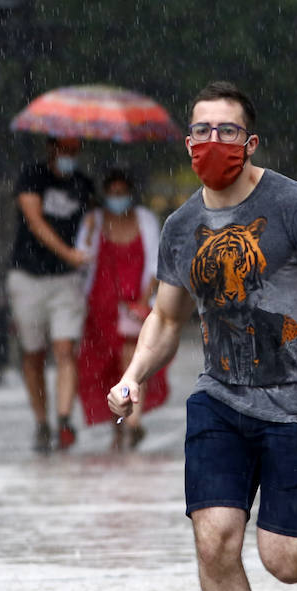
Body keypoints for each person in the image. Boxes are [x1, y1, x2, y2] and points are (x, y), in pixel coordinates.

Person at [108, 81, 297, 591]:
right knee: (214, 542)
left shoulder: (295, 206)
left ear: (250, 142)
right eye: (202, 130)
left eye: (227, 131)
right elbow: (165, 317)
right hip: (220, 401)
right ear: (187, 143)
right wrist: (133, 376)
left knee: (283, 559)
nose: (214, 140)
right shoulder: (181, 227)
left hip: (296, 406)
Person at [7, 136, 94, 451]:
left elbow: (92, 223)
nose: (70, 155)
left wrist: (81, 255)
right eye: (64, 148)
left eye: (75, 149)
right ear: (52, 147)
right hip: (28, 276)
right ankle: (42, 421)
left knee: (64, 348)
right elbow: (35, 221)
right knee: (33, 353)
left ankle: (64, 419)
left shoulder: (83, 184)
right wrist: (66, 252)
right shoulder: (32, 177)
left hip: (66, 281)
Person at [74, 169, 168, 450]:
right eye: (112, 193)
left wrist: (144, 300)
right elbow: (83, 258)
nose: (117, 198)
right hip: (100, 309)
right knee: (104, 368)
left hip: (134, 306)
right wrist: (90, 230)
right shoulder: (94, 220)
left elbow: (155, 262)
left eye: (121, 192)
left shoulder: (145, 220)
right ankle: (119, 422)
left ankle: (132, 421)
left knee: (133, 362)